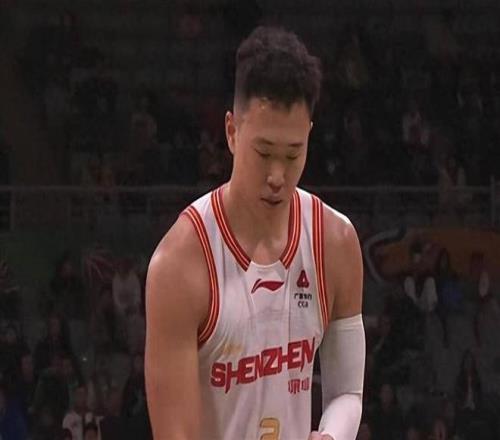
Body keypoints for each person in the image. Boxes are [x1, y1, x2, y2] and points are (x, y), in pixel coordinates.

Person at [145, 26, 365, 440]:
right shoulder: (179, 264)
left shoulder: (334, 242)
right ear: (232, 132)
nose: (277, 176)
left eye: (293, 154)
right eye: (263, 153)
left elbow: (348, 393)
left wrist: (331, 436)